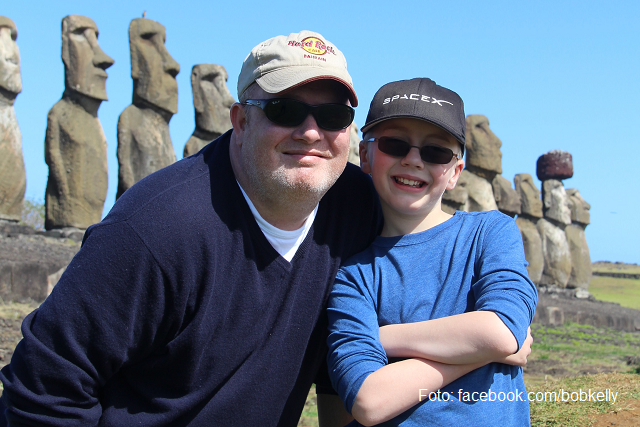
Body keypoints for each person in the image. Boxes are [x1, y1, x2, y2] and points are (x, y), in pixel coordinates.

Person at [0, 30, 381, 427]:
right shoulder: (156, 229)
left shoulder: (355, 208)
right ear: (241, 120)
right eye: (283, 110)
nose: (310, 132)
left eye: (334, 116)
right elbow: (42, 390)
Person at [326, 78, 538, 426]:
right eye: (395, 144)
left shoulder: (490, 232)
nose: (413, 160)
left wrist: (381, 338)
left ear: (455, 171)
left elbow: (501, 330)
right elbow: (368, 399)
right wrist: (482, 352)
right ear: (365, 154)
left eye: (435, 151)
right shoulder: (354, 275)